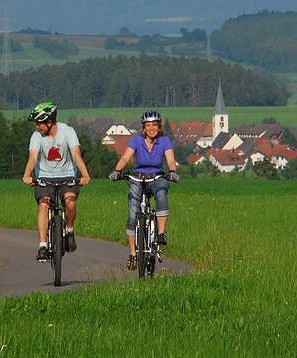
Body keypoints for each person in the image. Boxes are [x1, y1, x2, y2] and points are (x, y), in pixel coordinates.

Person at [108, 110, 179, 269]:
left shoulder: (165, 141)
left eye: (155, 125)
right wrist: (117, 171)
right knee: (133, 214)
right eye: (148, 125)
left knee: (161, 194)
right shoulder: (136, 140)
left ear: (159, 126)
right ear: (144, 128)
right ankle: (133, 253)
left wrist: (172, 172)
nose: (152, 128)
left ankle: (160, 233)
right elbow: (126, 157)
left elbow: (170, 159)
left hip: (157, 177)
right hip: (137, 177)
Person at [21, 102, 91, 261]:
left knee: (70, 202)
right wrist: (27, 174)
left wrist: (85, 175)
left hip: (67, 176)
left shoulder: (68, 131)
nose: (37, 126)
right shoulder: (36, 136)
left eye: (39, 123)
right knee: (44, 205)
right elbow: (33, 157)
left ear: (49, 121)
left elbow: (76, 155)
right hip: (45, 177)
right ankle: (43, 246)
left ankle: (69, 229)